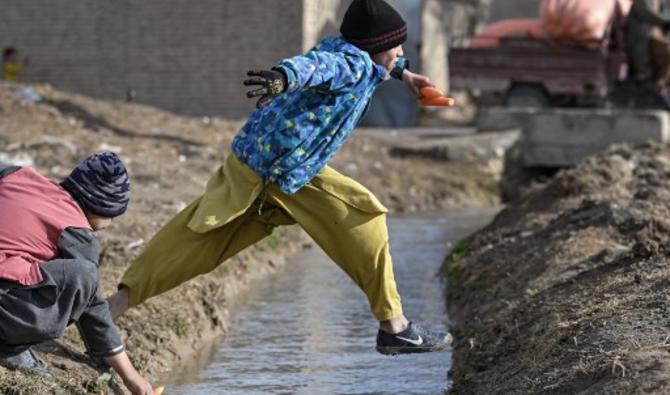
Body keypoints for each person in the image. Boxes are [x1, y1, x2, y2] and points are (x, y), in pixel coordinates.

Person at [107, 0, 452, 355]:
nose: (400, 52)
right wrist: (284, 76)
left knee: (200, 239)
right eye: (395, 47)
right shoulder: (350, 63)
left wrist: (404, 74)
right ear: (374, 47)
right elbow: (315, 68)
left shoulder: (344, 46)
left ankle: (112, 306)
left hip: (252, 159)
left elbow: (346, 59)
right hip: (285, 168)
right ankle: (394, 327)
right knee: (365, 218)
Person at [0, 153, 154, 395]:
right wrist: (131, 376)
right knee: (83, 274)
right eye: (113, 215)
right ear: (101, 208)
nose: (111, 223)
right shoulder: (77, 233)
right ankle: (8, 347)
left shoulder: (18, 176)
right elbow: (93, 311)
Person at [625, 0, 670, 88]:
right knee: (641, 55)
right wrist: (666, 21)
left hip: (656, 31)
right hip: (640, 33)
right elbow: (645, 13)